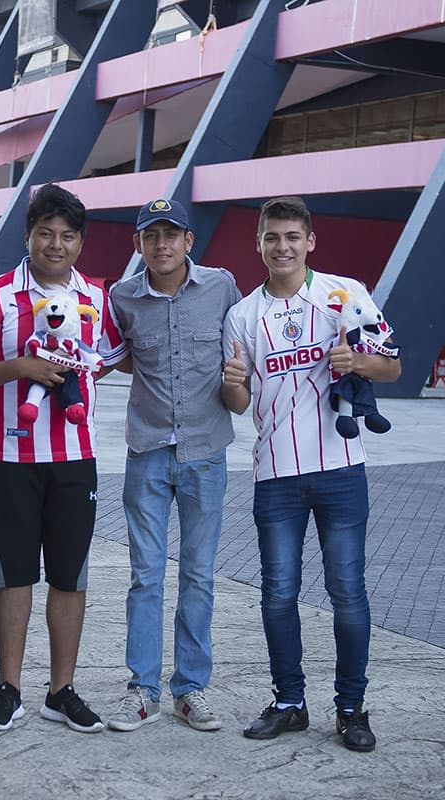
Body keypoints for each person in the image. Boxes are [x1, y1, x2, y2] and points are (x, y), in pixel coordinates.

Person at [222, 196, 401, 753]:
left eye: (292, 237)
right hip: (275, 473)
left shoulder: (345, 294)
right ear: (259, 244)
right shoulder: (242, 315)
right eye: (272, 237)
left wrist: (358, 364)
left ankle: (351, 708)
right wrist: (231, 381)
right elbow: (236, 399)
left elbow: (392, 364)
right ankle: (289, 703)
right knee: (277, 593)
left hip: (342, 471)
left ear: (310, 242)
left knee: (348, 593)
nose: (282, 247)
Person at [0, 183, 126, 734]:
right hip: (10, 455)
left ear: (80, 242)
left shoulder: (96, 298)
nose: (56, 244)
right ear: (28, 235)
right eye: (46, 233)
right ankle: (10, 689)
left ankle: (62, 690)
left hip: (76, 458)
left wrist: (85, 374)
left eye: (68, 236)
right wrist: (23, 368)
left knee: (70, 577)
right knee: (15, 575)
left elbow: (113, 353)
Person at [105, 198, 240, 733]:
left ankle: (190, 689)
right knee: (145, 576)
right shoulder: (122, 299)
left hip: (207, 453)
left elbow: (246, 347)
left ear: (189, 241)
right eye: (150, 235)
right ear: (138, 244)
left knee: (199, 575)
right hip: (147, 454)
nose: (161, 244)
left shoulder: (222, 289)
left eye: (172, 234)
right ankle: (142, 690)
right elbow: (114, 357)